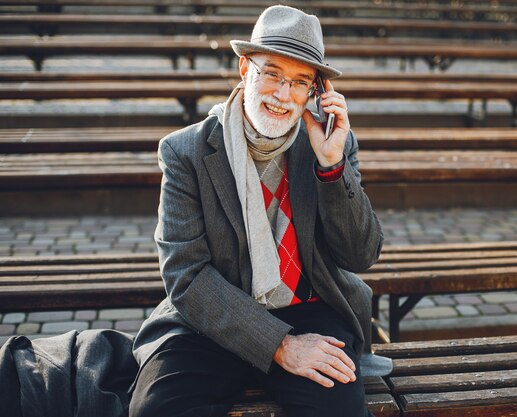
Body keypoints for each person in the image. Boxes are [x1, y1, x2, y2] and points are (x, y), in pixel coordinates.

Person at [129, 5, 390, 417]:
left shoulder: (333, 144)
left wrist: (331, 168)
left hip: (311, 307)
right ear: (244, 68)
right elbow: (187, 276)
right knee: (159, 408)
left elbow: (361, 256)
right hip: (214, 316)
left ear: (317, 92)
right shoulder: (185, 151)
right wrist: (279, 345)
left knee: (336, 408)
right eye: (271, 73)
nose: (283, 95)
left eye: (300, 81)